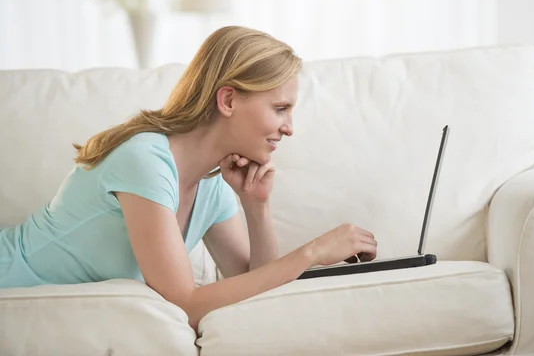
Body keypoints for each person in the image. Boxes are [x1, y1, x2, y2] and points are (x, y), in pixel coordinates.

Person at [0, 26, 378, 328]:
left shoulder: (212, 183)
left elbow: (253, 290)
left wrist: (256, 206)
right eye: (280, 108)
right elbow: (186, 304)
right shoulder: (144, 159)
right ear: (228, 100)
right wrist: (312, 252)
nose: (289, 128)